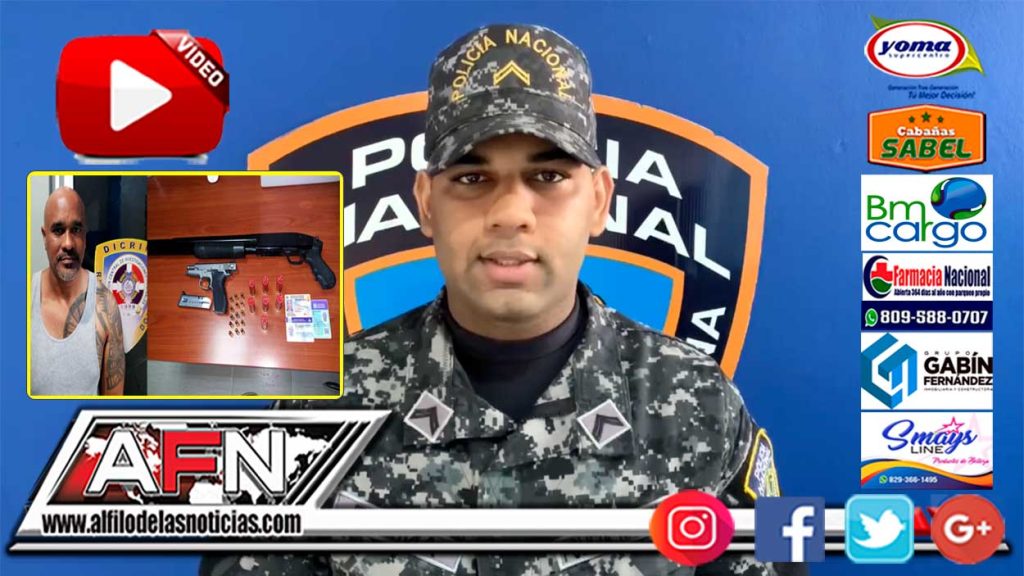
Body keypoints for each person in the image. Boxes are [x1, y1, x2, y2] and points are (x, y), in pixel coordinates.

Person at [204, 24, 802, 575]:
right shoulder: (315, 414)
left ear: (598, 200)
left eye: (548, 177)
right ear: (425, 203)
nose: (511, 213)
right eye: (471, 178)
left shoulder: (701, 402)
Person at [31, 186, 125, 396]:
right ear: (44, 237)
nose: (68, 244)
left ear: (85, 235)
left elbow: (113, 408)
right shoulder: (20, 301)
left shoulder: (106, 306)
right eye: (58, 230)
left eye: (76, 230)